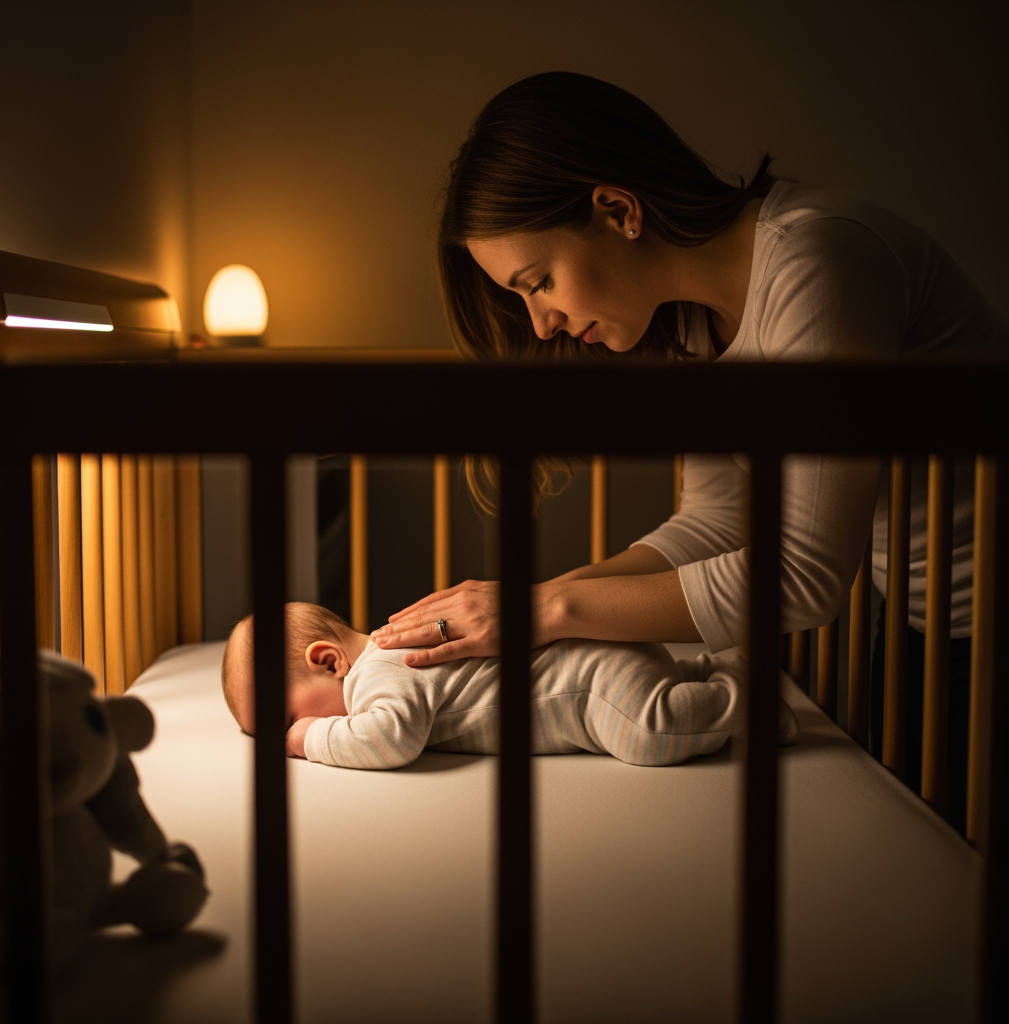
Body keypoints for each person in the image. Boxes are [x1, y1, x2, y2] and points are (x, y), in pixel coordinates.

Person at [368, 72, 1007, 827]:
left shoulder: (817, 263)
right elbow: (719, 521)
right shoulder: (693, 323)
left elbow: (803, 574)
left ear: (618, 210)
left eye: (538, 282)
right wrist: (529, 608)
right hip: (925, 622)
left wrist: (548, 609)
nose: (540, 324)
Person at [220, 602, 798, 770]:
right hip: (598, 662)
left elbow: (391, 739)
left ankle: (738, 688)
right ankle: (703, 674)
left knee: (651, 732)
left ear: (328, 662)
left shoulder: (379, 671)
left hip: (595, 685)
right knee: (660, 701)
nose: (287, 729)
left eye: (283, 716)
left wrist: (306, 739)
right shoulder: (387, 655)